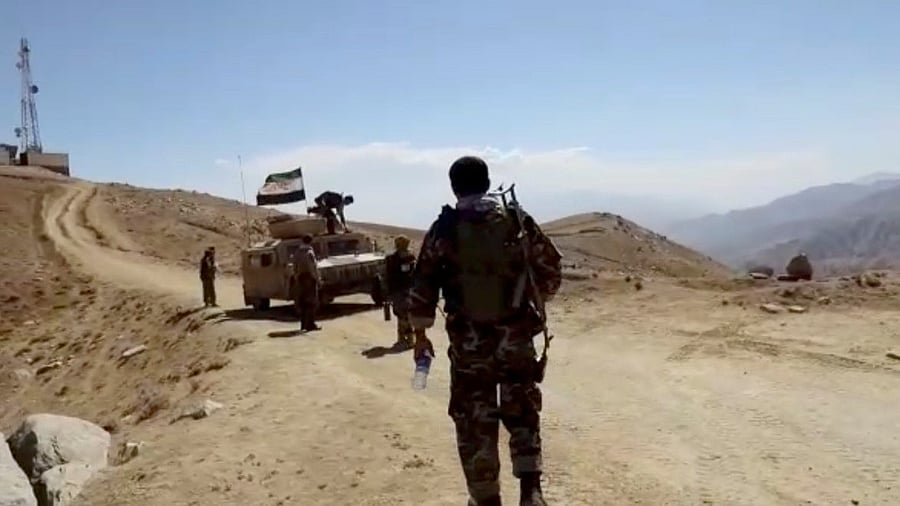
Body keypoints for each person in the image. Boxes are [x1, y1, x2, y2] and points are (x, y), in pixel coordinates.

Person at [407, 156, 562, 506]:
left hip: (469, 347)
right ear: (488, 181)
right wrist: (528, 303)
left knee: (474, 418)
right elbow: (551, 271)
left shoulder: (443, 229)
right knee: (521, 408)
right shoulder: (515, 220)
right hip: (515, 339)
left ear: (453, 187)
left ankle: (486, 497)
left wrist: (420, 334)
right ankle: (530, 489)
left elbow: (422, 288)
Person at [384, 235, 425, 349]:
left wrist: (387, 293)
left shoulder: (392, 259)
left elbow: (388, 277)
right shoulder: (410, 257)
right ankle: (406, 338)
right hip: (408, 289)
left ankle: (406, 338)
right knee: (404, 314)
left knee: (402, 314)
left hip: (399, 290)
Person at [293, 234, 322, 332]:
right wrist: (318, 279)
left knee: (303, 303)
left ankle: (303, 325)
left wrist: (296, 277)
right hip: (309, 278)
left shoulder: (297, 252)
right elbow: (312, 268)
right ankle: (310, 324)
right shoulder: (309, 252)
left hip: (300, 279)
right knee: (311, 303)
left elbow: (295, 266)